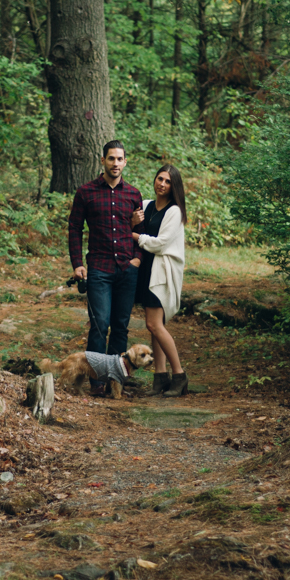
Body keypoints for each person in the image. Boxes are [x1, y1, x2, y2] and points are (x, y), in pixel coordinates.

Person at [68, 140, 144, 394]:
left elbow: (139, 232)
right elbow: (74, 229)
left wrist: (137, 260)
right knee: (100, 323)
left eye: (119, 159)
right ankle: (97, 382)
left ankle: (116, 382)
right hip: (99, 268)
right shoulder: (86, 192)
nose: (115, 163)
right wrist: (77, 263)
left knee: (120, 325)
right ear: (102, 161)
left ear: (125, 161)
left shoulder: (133, 194)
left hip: (126, 268)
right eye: (111, 158)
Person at [132, 165, 188, 397]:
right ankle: (160, 377)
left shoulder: (175, 211)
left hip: (162, 272)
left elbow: (161, 243)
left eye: (168, 181)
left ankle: (179, 376)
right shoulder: (146, 205)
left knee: (154, 325)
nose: (162, 184)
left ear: (174, 187)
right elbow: (131, 224)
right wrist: (133, 223)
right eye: (159, 179)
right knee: (155, 327)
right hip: (147, 269)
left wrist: (136, 236)